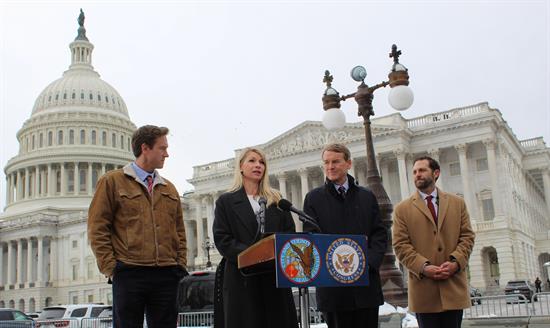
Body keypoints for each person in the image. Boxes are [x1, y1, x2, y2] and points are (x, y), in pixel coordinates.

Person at [88, 125, 187, 328]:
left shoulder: (169, 188)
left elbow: (179, 231)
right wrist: (112, 269)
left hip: (167, 274)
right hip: (129, 272)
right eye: (162, 148)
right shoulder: (112, 182)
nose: (167, 154)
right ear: (145, 148)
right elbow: (97, 228)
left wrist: (180, 265)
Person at [302, 143, 387, 328]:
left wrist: (368, 263)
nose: (330, 167)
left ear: (348, 163)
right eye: (326, 162)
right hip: (334, 290)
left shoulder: (366, 196)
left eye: (335, 162)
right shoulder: (313, 199)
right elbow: (311, 238)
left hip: (366, 287)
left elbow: (379, 234)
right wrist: (335, 267)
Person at [212, 148, 298, 328]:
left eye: (262, 162)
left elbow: (289, 233)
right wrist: (254, 256)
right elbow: (223, 239)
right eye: (252, 161)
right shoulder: (226, 202)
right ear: (241, 167)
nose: (258, 165)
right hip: (242, 280)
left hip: (274, 280)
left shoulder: (277, 200)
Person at [392, 156, 475, 328]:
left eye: (422, 170)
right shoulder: (402, 209)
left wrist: (455, 262)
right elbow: (400, 245)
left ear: (436, 173)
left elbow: (467, 237)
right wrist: (423, 267)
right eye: (414, 172)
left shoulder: (457, 203)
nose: (417, 175)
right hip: (424, 291)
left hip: (453, 287)